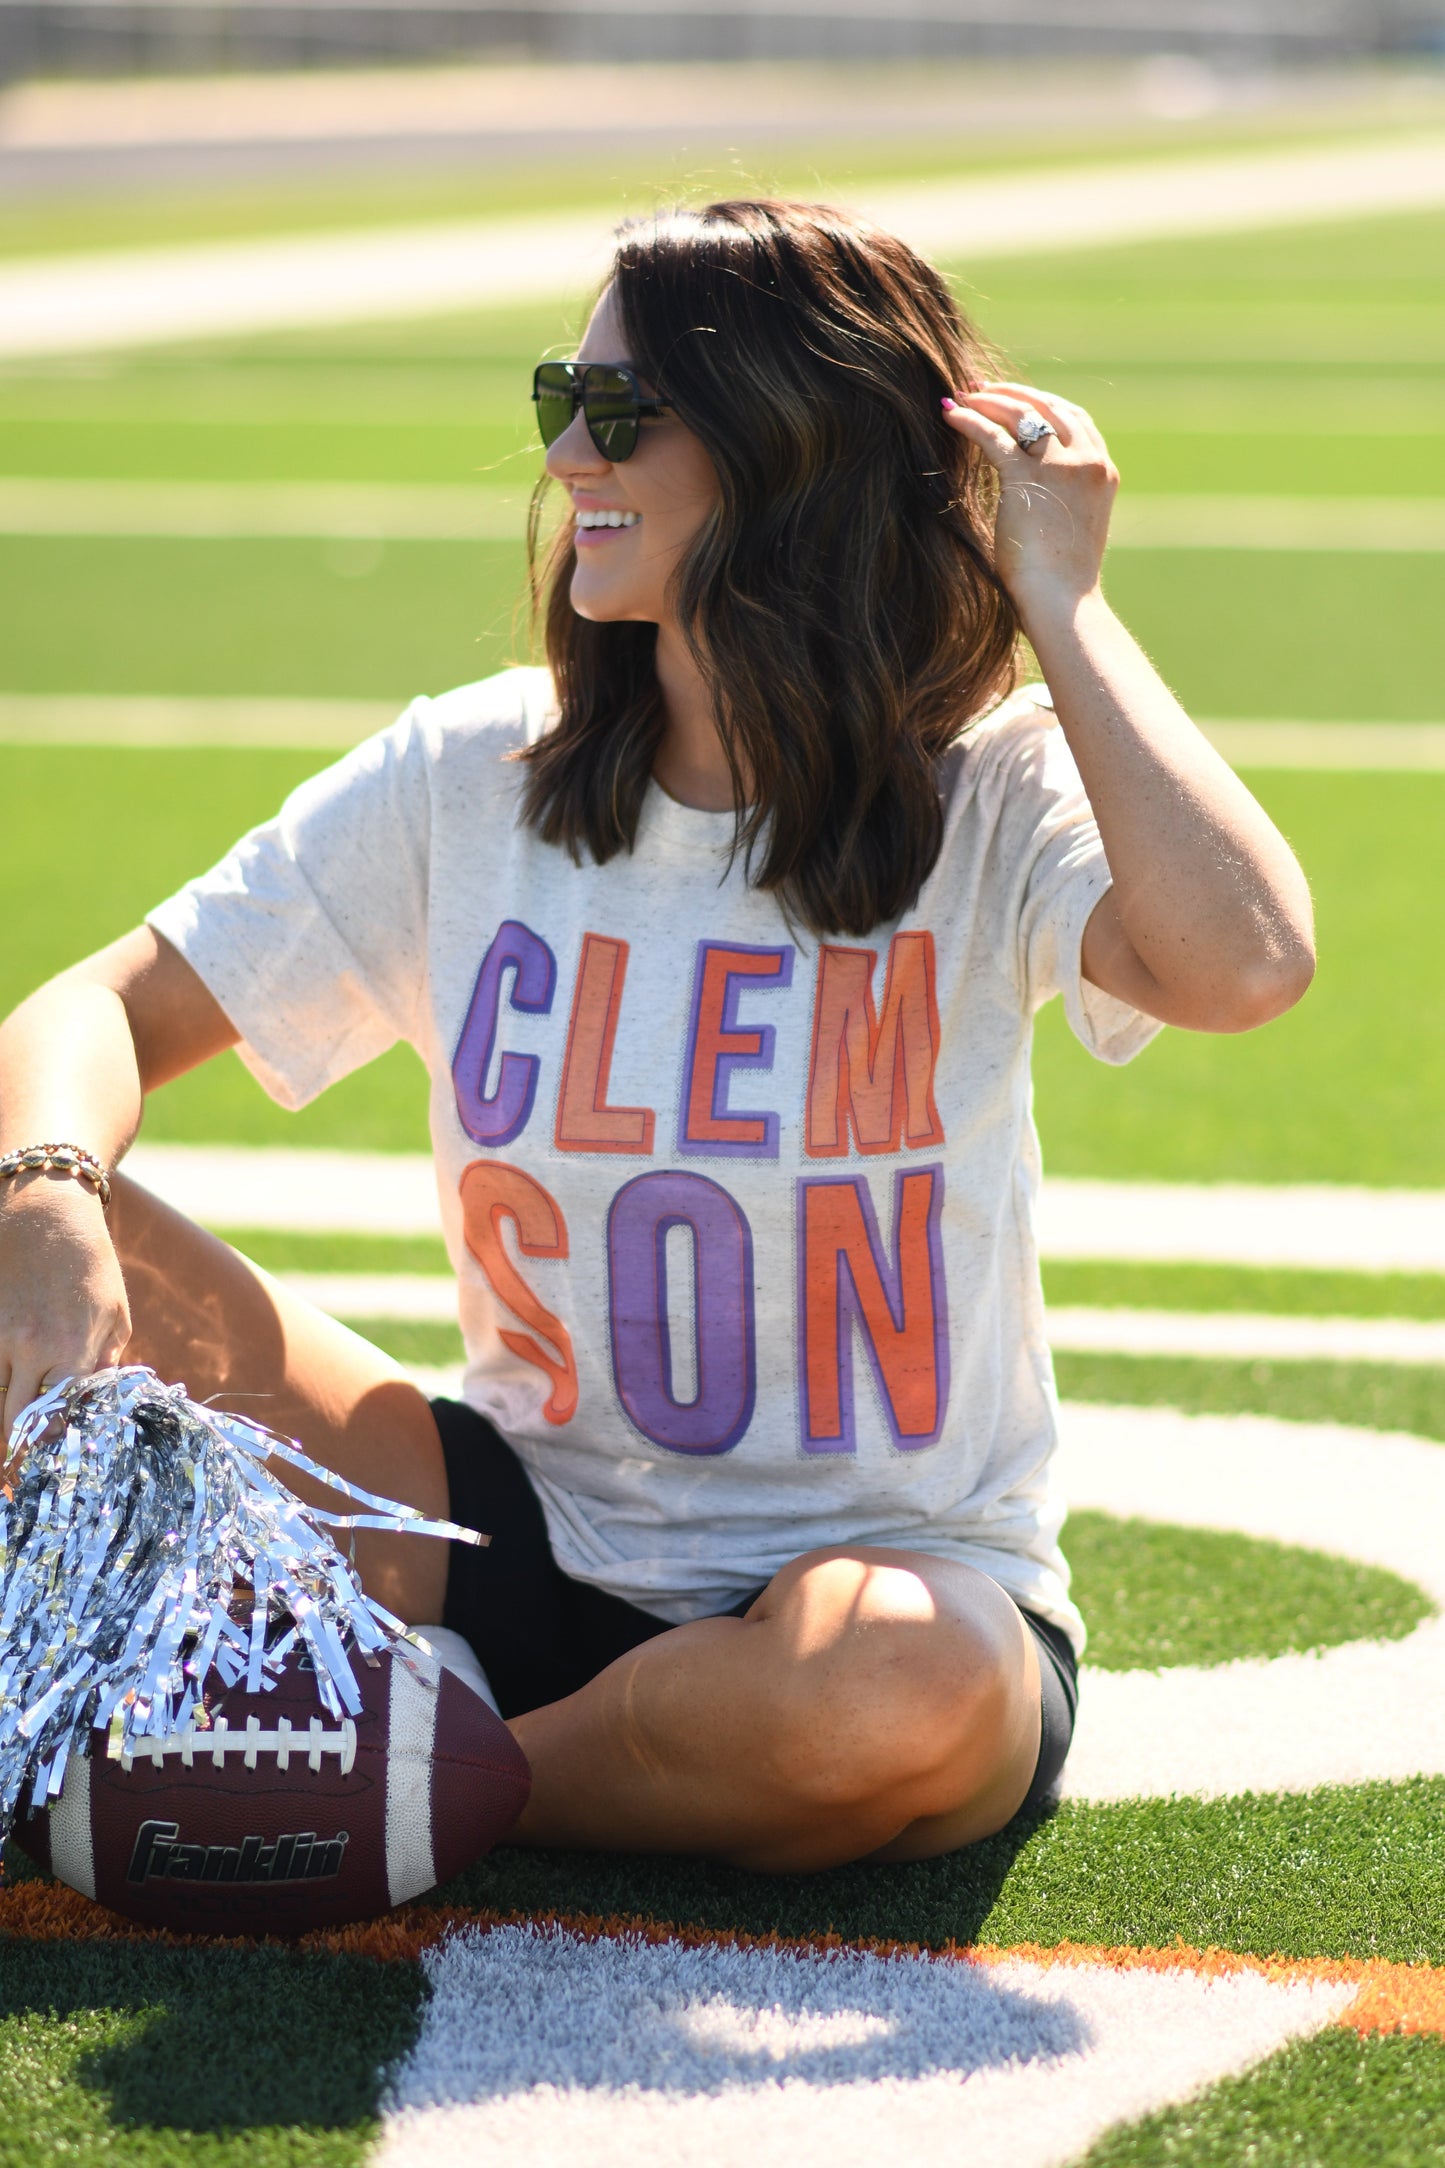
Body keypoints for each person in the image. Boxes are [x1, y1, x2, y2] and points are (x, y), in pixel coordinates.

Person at [0, 200, 1313, 1875]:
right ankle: (392, 1722)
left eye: (616, 412)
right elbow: (93, 1010)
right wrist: (45, 1195)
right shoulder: (470, 773)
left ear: (788, 451)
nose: (563, 461)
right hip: (498, 1527)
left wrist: (1061, 598)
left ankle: (407, 1770)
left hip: (877, 1591)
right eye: (562, 400)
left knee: (883, 1704)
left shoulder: (989, 785)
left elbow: (1246, 962)